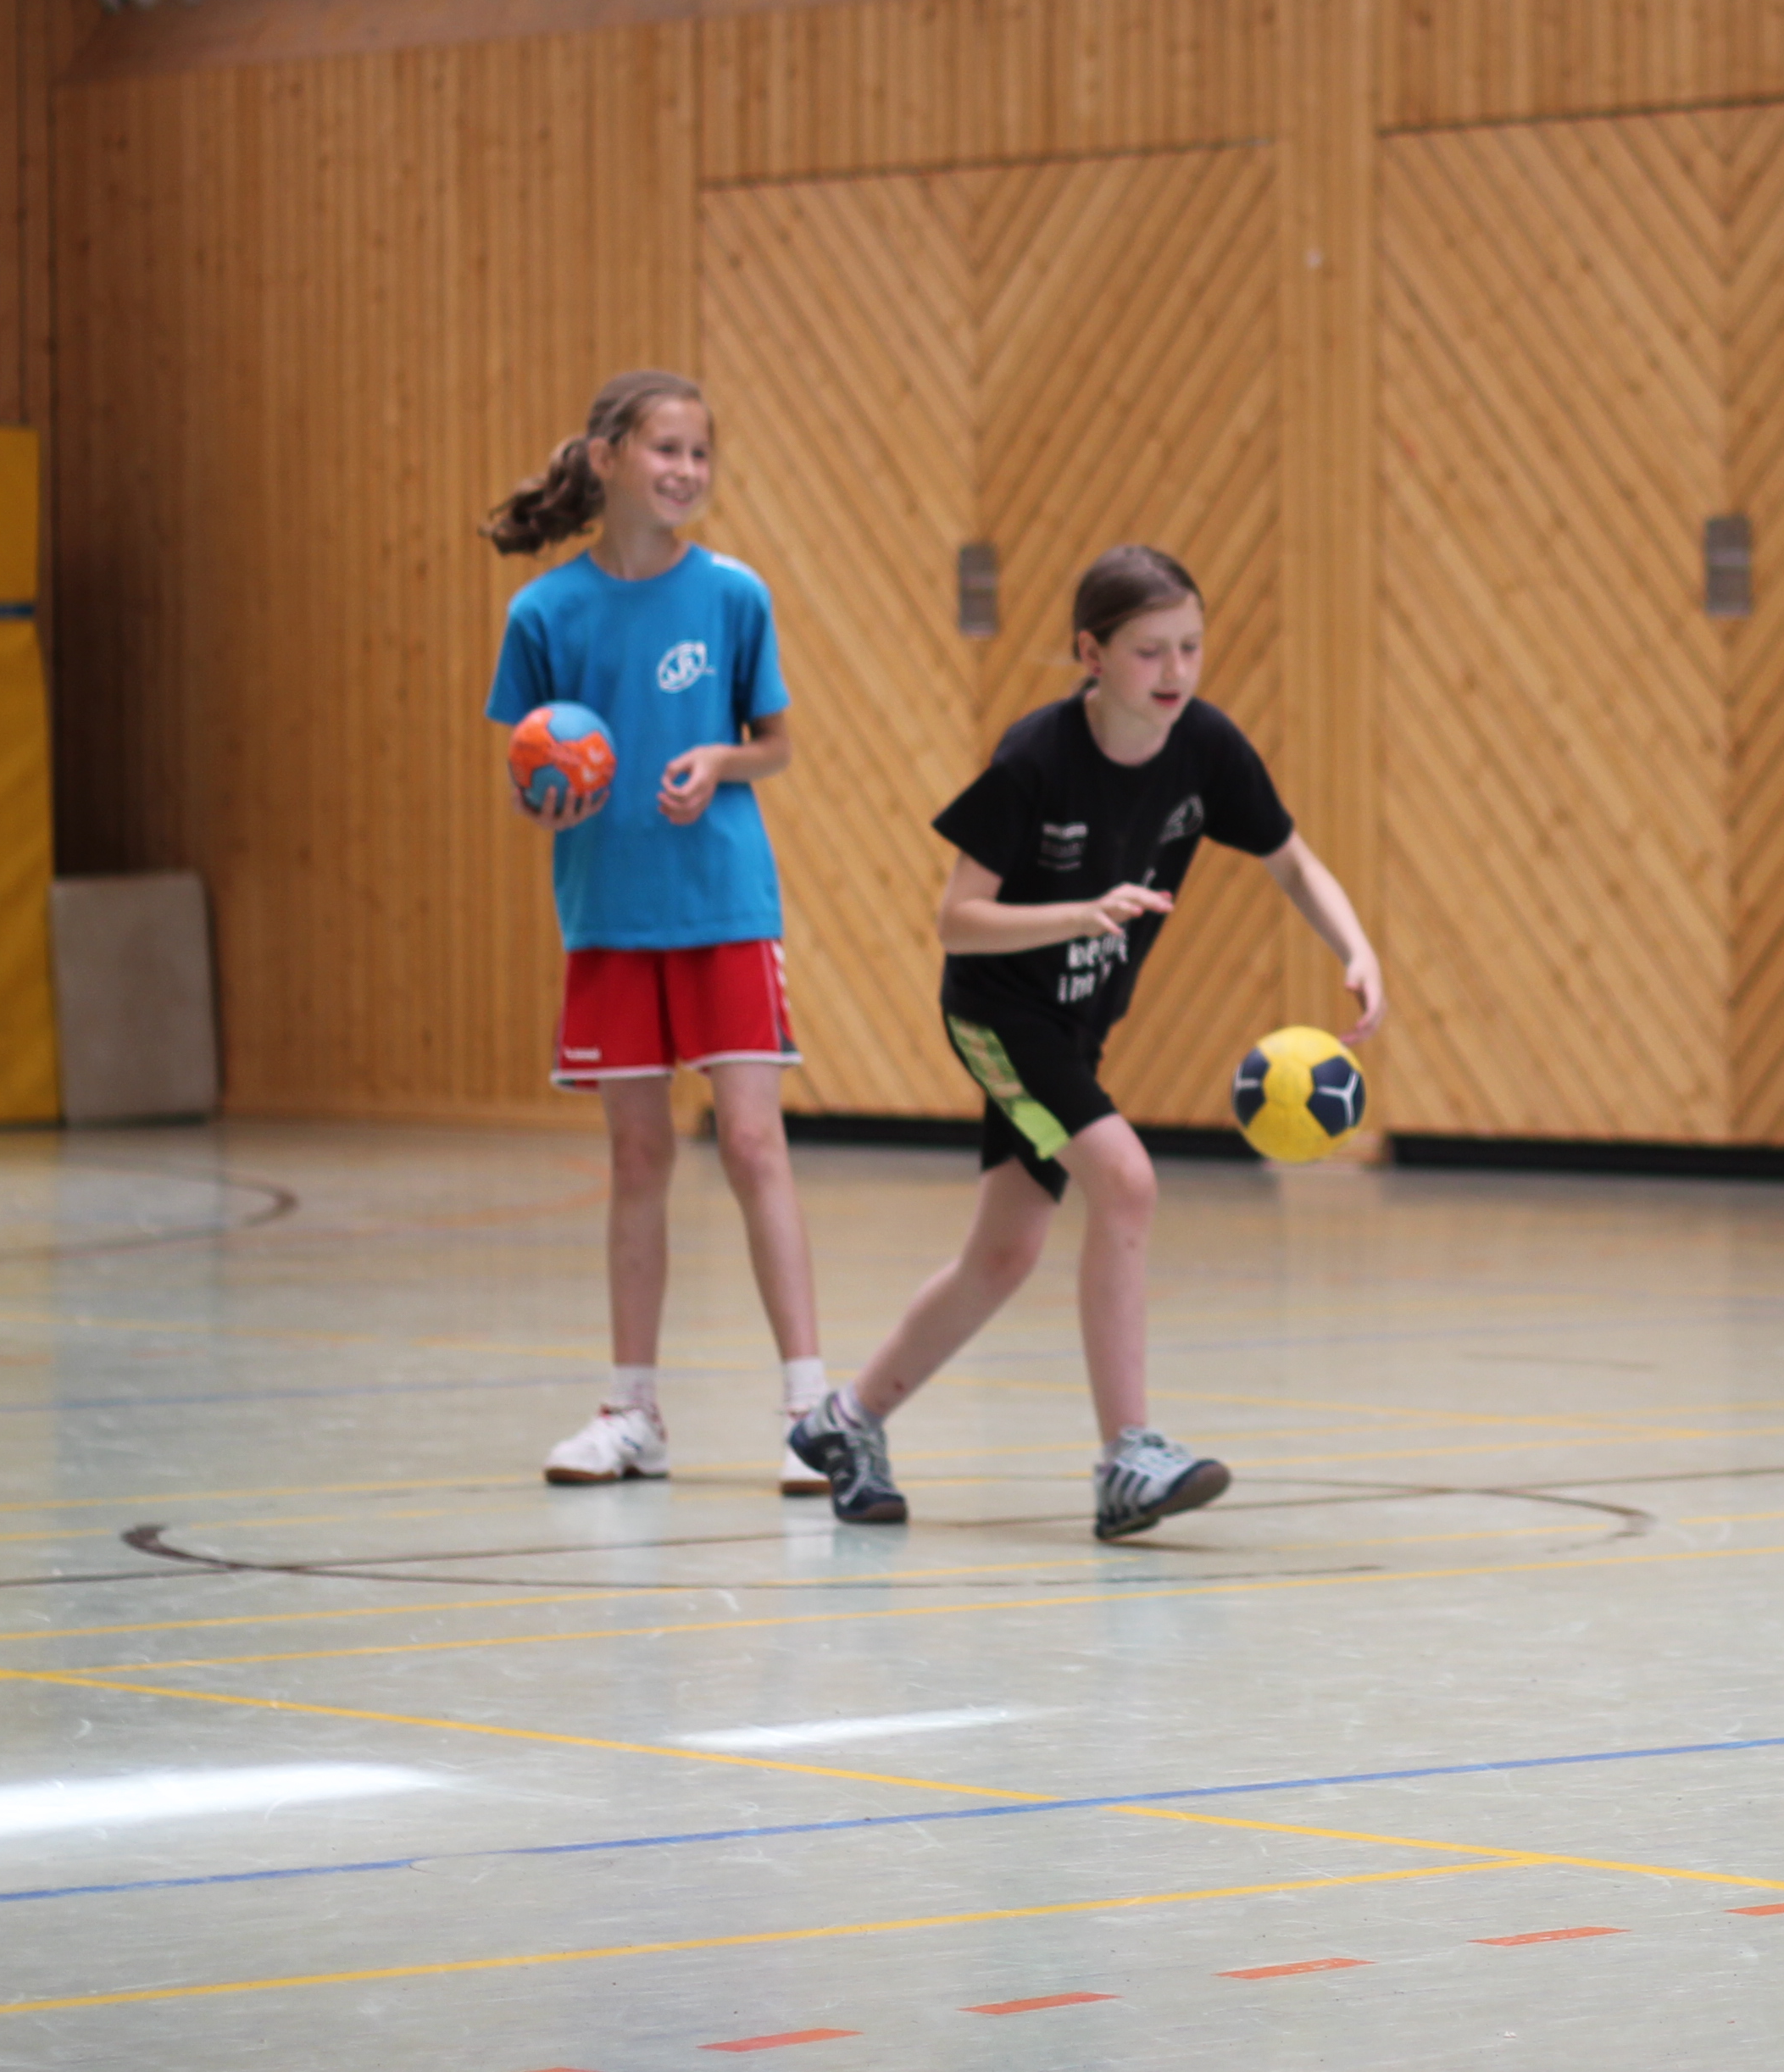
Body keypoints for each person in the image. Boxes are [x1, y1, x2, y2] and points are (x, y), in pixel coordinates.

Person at [786, 543, 1382, 1542]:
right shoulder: (1037, 757)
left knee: (1003, 1254)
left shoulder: (1207, 747)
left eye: (1190, 646)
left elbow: (1292, 860)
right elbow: (956, 922)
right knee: (1128, 1182)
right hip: (997, 1015)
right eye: (1150, 651)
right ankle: (1127, 1458)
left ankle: (846, 1424)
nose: (1176, 671)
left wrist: (1355, 946)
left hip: (1075, 1025)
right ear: (1091, 655)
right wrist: (1078, 913)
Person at [482, 371, 831, 1487]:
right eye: (664, 449)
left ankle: (814, 1412)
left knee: (752, 1145)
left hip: (724, 905)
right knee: (637, 1157)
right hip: (609, 916)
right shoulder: (544, 614)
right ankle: (631, 1413)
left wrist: (721, 760)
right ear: (606, 459)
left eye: (699, 453)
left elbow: (775, 744)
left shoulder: (733, 594)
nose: (685, 471)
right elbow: (526, 772)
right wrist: (548, 803)